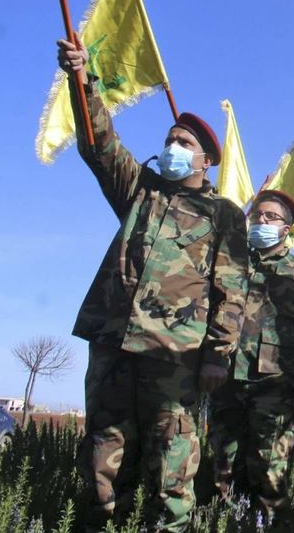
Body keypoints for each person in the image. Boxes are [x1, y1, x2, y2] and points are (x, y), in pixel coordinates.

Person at [57, 39, 248, 532]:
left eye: (185, 144)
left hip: (176, 357)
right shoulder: (139, 190)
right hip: (114, 345)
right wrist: (84, 83)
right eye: (170, 139)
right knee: (101, 464)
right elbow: (99, 146)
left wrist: (218, 355)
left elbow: (232, 289)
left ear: (206, 160)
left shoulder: (222, 215)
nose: (173, 148)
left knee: (171, 470)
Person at [209, 191, 294, 517]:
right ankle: (223, 522)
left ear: (286, 229)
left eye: (270, 217)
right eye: (257, 215)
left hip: (275, 383)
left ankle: (268, 523)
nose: (261, 221)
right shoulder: (231, 263)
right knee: (221, 463)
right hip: (225, 378)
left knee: (268, 467)